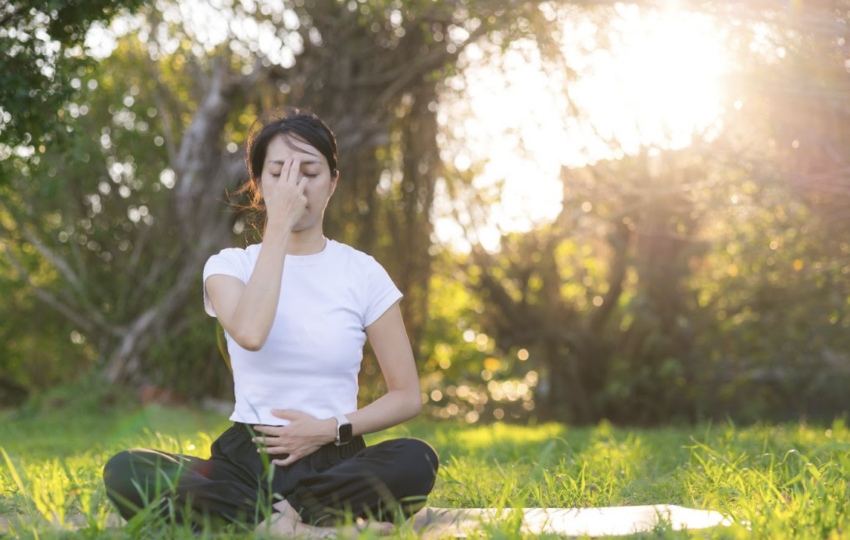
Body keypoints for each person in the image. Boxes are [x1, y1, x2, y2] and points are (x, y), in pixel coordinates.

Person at [101, 107, 440, 538]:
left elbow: (407, 395)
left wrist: (329, 429)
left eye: (310, 172)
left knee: (416, 459)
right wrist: (278, 225)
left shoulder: (364, 272)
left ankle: (272, 520)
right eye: (279, 173)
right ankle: (309, 527)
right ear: (258, 185)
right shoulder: (229, 266)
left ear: (333, 182)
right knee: (127, 470)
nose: (294, 186)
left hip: (336, 455)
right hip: (247, 462)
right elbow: (250, 333)